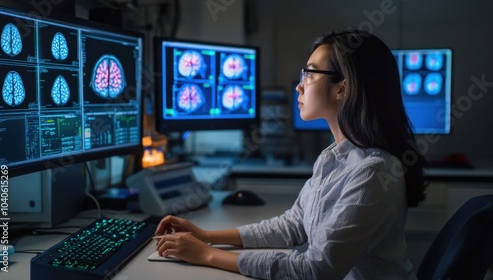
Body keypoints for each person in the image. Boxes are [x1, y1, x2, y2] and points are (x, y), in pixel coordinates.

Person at [155, 29, 427, 279]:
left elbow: (317, 269)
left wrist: (206, 255)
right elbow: (293, 224)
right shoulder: (333, 157)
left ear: (342, 88)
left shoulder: (372, 172)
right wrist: (206, 236)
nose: (299, 86)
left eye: (309, 74)